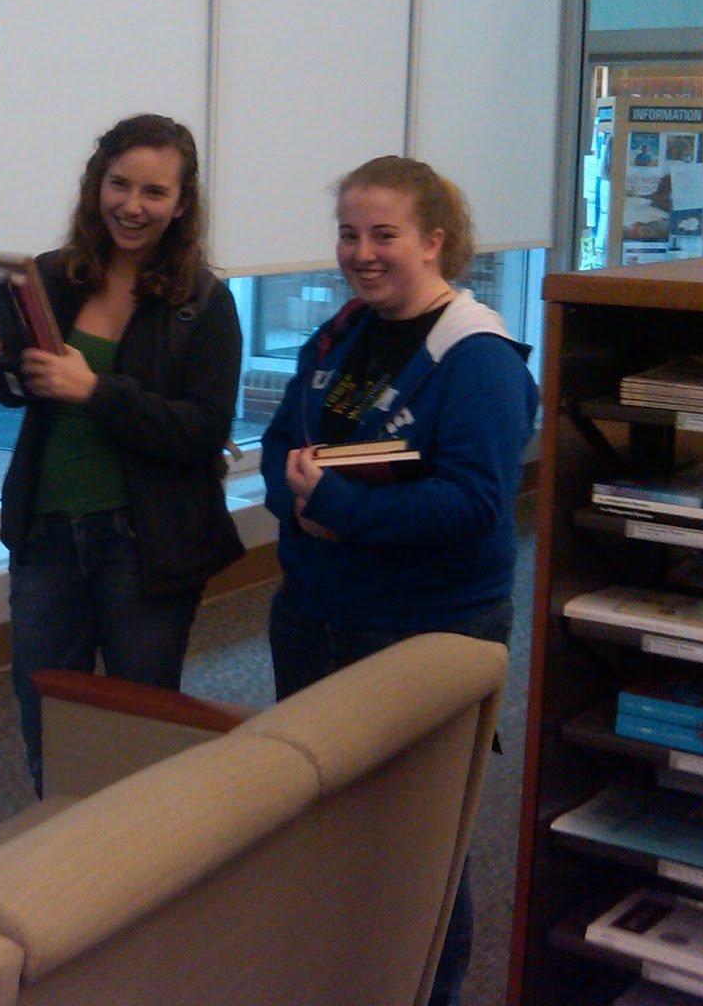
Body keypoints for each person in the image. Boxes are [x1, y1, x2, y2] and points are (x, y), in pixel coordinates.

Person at [259, 154, 538, 1006]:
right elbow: (281, 445)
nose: (362, 251)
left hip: (424, 633)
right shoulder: (341, 332)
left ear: (434, 241)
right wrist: (296, 501)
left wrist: (338, 508)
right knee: (327, 818)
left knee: (419, 841)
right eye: (349, 233)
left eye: (384, 234)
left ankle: (432, 990)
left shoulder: (478, 357)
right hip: (315, 615)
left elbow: (474, 504)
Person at [0, 114, 244, 794]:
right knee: (47, 720)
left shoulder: (204, 302)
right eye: (119, 185)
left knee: (138, 731)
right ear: (98, 186)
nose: (132, 205)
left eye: (154, 192)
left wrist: (95, 391)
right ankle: (58, 860)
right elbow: (18, 394)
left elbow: (203, 429)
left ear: (182, 203)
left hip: (144, 545)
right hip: (46, 531)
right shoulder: (53, 277)